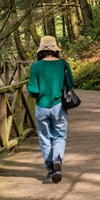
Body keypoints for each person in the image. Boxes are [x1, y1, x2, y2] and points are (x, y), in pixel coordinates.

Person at [26, 36, 75, 183]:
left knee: (44, 137)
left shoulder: (35, 66)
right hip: (59, 105)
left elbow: (33, 90)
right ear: (55, 49)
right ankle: (57, 159)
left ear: (41, 50)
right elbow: (70, 83)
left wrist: (31, 89)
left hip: (41, 106)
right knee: (59, 136)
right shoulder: (63, 64)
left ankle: (50, 167)